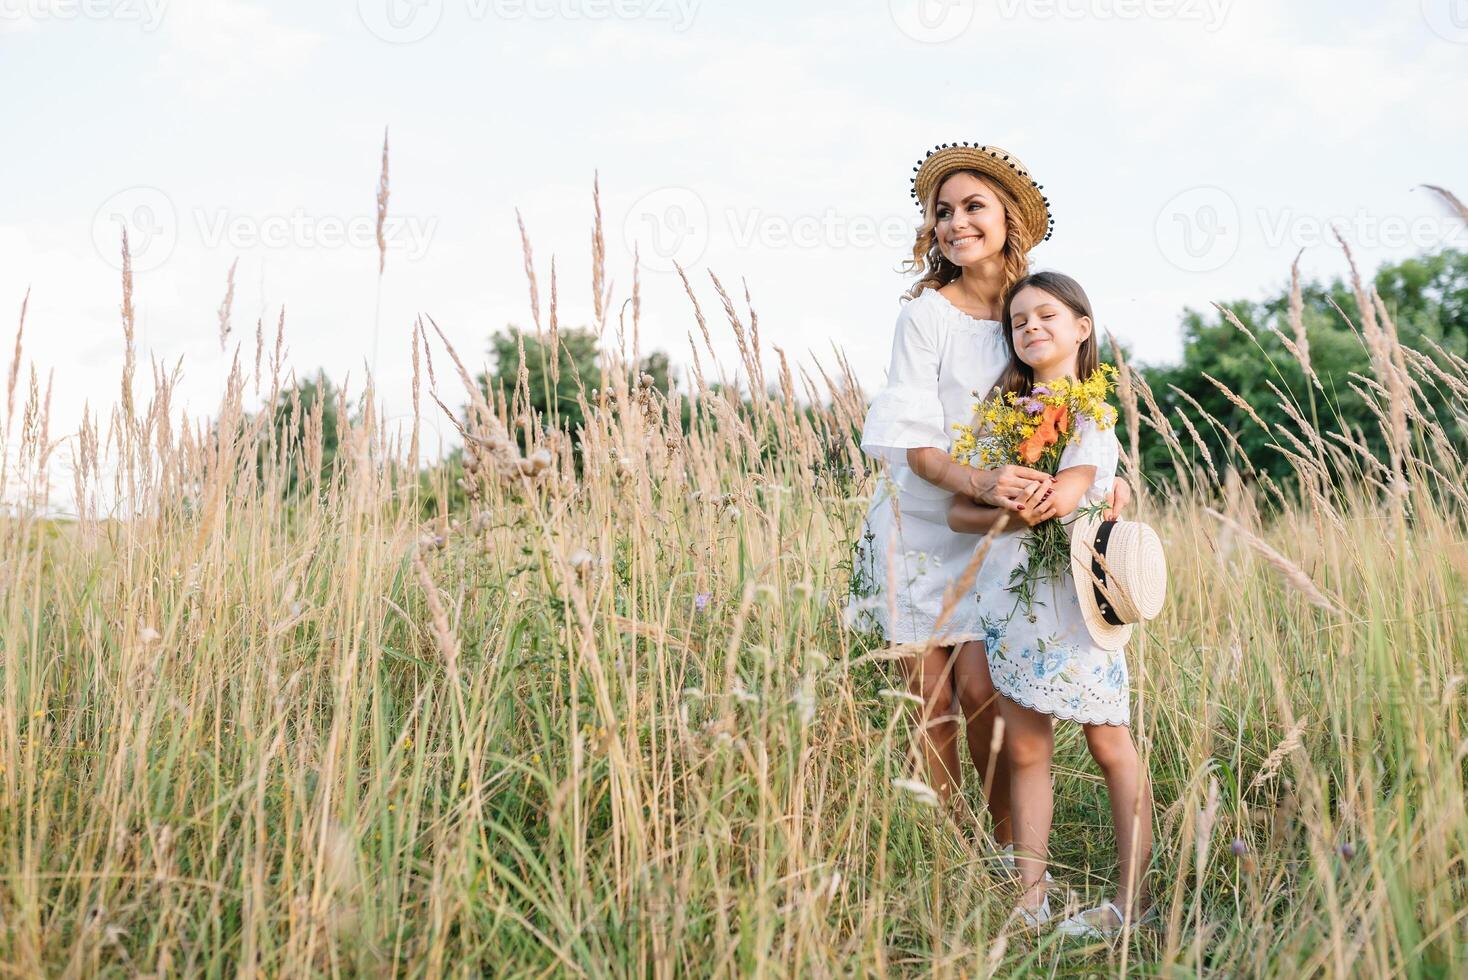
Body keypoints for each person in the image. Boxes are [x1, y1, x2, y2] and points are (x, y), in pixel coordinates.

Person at [845, 145, 1131, 853]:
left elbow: (1079, 400)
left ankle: (1009, 855)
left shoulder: (1033, 309)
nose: (955, 222)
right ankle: (951, 859)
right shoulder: (925, 317)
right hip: (922, 526)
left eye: (973, 206)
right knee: (932, 704)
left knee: (984, 695)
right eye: (942, 212)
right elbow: (915, 444)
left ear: (1009, 219)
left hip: (998, 535)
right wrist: (983, 480)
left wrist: (1104, 479)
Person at [946, 271, 1156, 937]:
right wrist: (1002, 502)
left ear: (1080, 328)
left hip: (1075, 600)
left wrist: (1012, 503)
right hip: (1010, 601)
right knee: (1028, 750)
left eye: (1046, 316)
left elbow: (1063, 502)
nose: (1031, 327)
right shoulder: (996, 416)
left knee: (1109, 741)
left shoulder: (1093, 414)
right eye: (1018, 321)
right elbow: (957, 511)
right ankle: (1030, 900)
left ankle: (1130, 903)